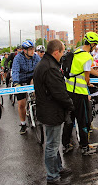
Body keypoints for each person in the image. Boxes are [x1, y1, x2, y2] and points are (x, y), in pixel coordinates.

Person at [33, 39, 74, 185]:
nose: (63, 55)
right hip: (51, 112)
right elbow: (59, 93)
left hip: (48, 110)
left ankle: (57, 168)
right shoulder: (50, 67)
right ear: (56, 52)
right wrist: (70, 105)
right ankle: (52, 177)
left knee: (53, 143)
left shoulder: (45, 64)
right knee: (51, 145)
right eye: (62, 52)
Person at [62, 32, 98, 156]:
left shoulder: (76, 52)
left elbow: (86, 69)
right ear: (92, 44)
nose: (96, 47)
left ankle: (66, 144)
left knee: (69, 119)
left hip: (69, 91)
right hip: (80, 93)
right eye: (96, 45)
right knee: (83, 119)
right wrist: (90, 84)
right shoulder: (87, 57)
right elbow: (87, 78)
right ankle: (84, 147)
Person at [12, 40, 41, 134]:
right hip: (20, 79)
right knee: (21, 104)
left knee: (38, 90)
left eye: (33, 49)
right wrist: (16, 83)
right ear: (24, 50)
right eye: (30, 49)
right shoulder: (18, 58)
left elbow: (41, 68)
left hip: (31, 77)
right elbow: (15, 71)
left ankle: (37, 108)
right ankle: (23, 124)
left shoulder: (36, 57)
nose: (33, 51)